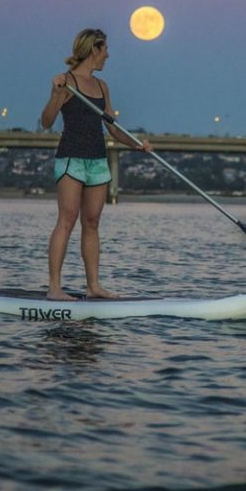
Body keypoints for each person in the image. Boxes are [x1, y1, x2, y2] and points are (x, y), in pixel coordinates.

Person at [41, 28, 151, 300]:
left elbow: (113, 129)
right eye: (105, 50)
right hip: (71, 159)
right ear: (94, 50)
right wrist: (56, 94)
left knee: (92, 222)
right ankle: (54, 288)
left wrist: (136, 145)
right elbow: (46, 122)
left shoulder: (102, 87)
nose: (108, 55)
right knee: (67, 220)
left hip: (97, 161)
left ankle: (93, 287)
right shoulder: (66, 82)